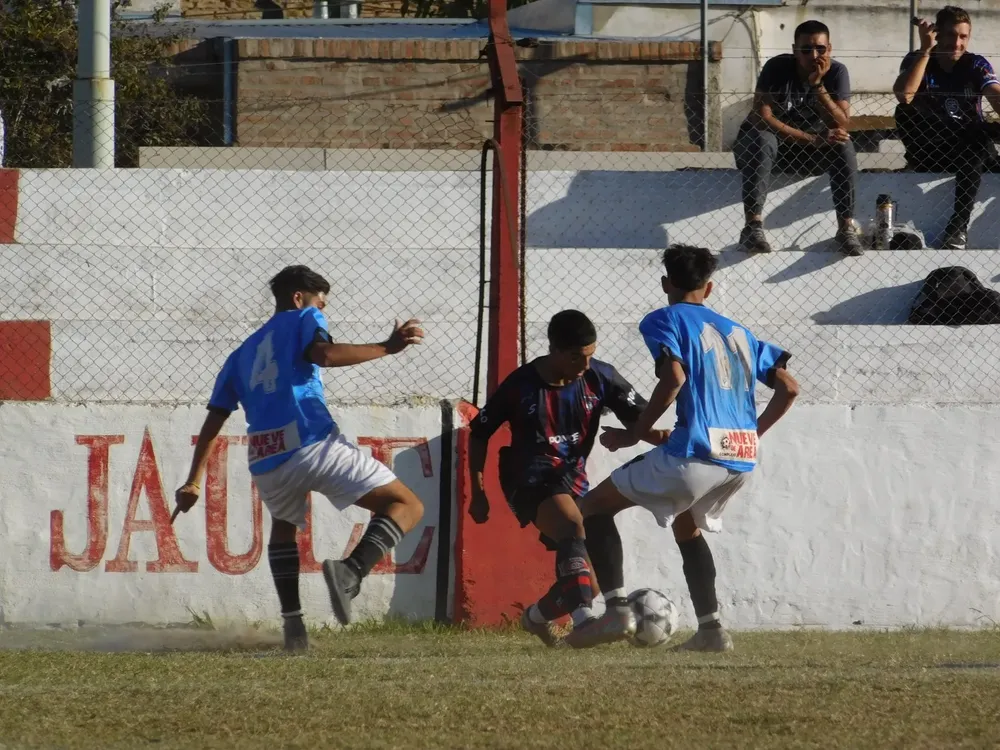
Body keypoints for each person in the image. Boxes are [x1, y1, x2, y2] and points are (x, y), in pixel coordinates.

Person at [172, 265, 426, 652]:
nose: (324, 310)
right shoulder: (306, 317)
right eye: (321, 300)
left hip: (266, 458)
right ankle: (351, 572)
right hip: (310, 441)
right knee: (407, 504)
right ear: (298, 298)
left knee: (284, 526)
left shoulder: (240, 354)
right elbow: (322, 353)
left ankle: (293, 629)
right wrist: (387, 348)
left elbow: (214, 419)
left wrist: (193, 480)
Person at [565, 245, 800, 650]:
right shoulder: (740, 332)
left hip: (694, 455)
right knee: (686, 526)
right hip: (740, 460)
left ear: (665, 283)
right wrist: (752, 434)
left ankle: (617, 611)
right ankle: (711, 631)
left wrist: (635, 432)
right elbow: (789, 387)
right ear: (708, 289)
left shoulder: (663, 319)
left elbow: (672, 378)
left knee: (594, 507)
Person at [468, 310, 667, 647]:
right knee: (573, 526)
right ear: (555, 350)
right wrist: (478, 492)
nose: (585, 364)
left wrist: (667, 440)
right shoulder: (521, 384)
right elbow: (479, 433)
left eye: (590, 355)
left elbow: (642, 419)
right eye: (577, 357)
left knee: (590, 580)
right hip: (527, 478)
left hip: (572, 478)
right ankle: (586, 622)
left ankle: (535, 618)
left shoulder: (600, 377)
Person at [735, 20, 862, 256]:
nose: (814, 55)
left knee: (844, 142)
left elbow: (842, 123)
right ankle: (752, 227)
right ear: (795, 50)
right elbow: (761, 116)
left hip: (805, 153)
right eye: (806, 50)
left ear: (829, 49)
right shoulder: (777, 68)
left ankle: (846, 228)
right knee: (763, 138)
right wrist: (812, 139)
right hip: (762, 150)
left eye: (820, 49)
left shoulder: (836, 72)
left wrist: (818, 86)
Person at [893, 6, 1000, 250]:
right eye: (951, 35)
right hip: (932, 150)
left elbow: (994, 94)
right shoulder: (917, 59)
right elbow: (904, 95)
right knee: (905, 113)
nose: (957, 43)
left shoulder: (975, 63)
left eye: (963, 37)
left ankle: (957, 229)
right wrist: (925, 50)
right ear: (937, 34)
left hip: (970, 148)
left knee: (979, 138)